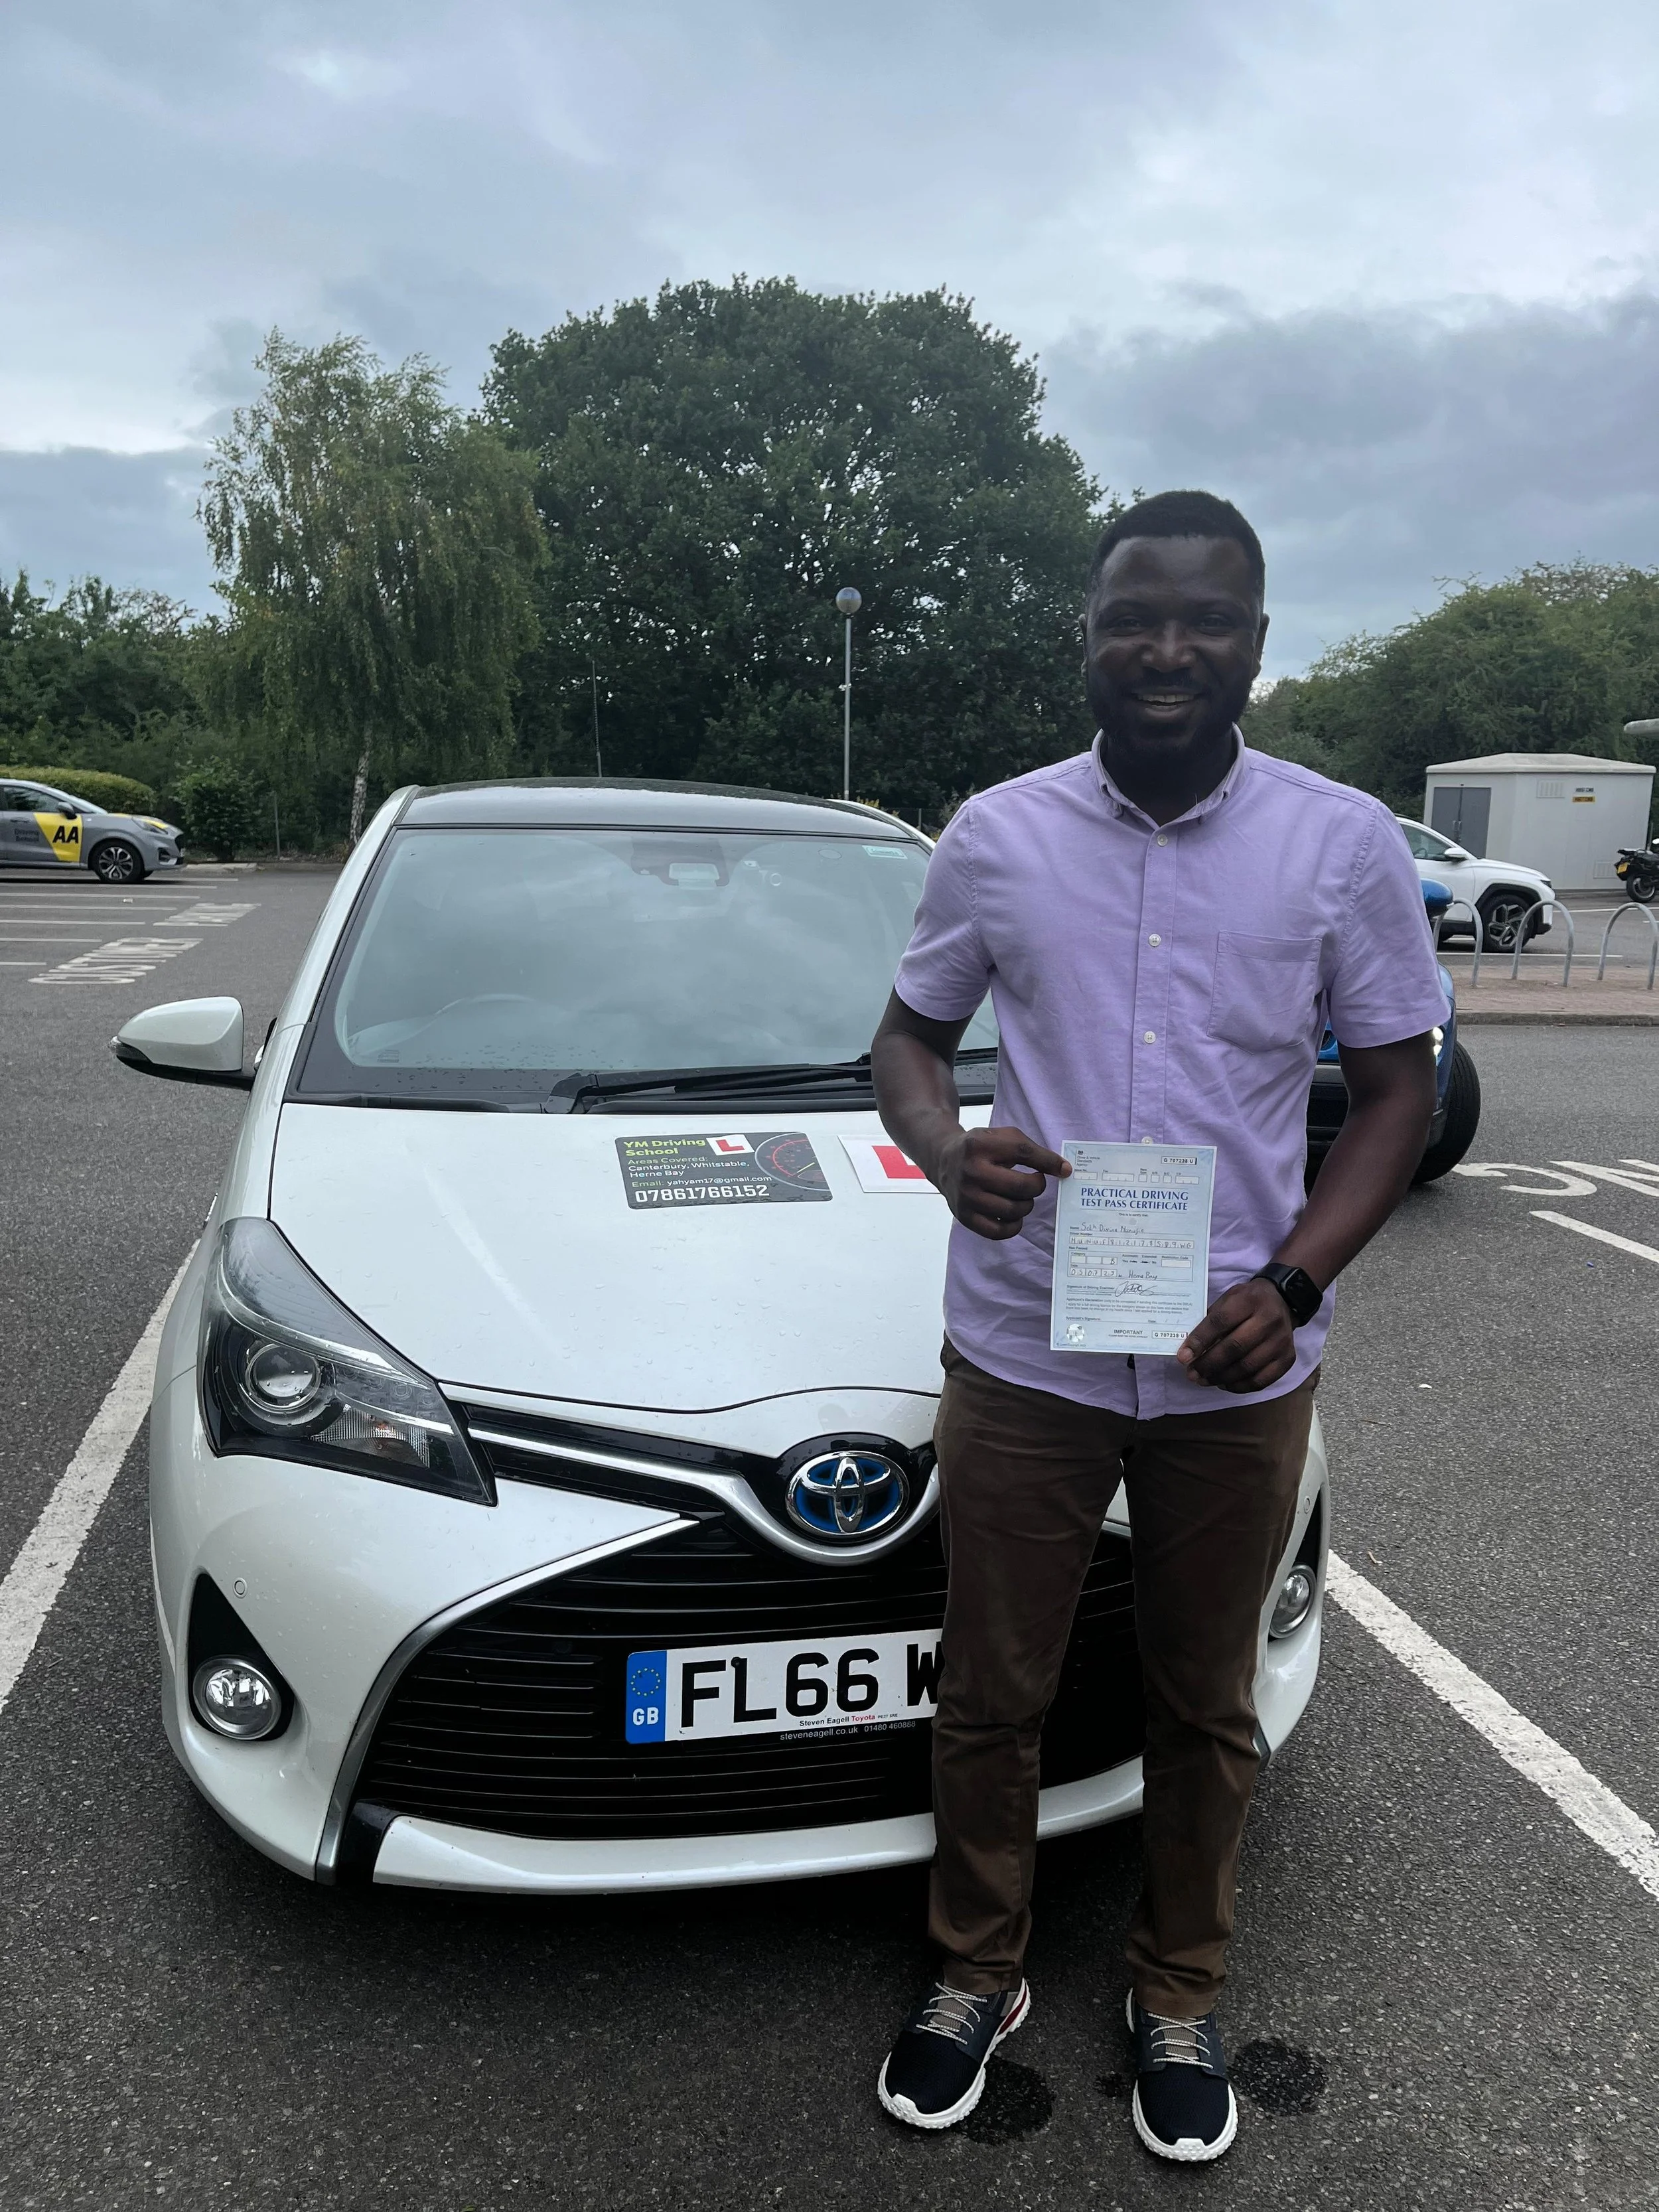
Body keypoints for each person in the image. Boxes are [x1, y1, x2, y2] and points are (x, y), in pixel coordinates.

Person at [868, 490, 1446, 2162]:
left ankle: (1175, 1984)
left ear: (1255, 644)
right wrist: (942, 1151)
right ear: (1089, 638)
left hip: (1231, 1360)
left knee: (1203, 1697)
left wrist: (1295, 1281)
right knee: (993, 1686)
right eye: (1134, 617)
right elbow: (904, 1042)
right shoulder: (996, 835)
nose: (1166, 647)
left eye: (1203, 620)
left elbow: (1396, 1095)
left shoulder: (1339, 843)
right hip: (1024, 1345)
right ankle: (975, 1968)